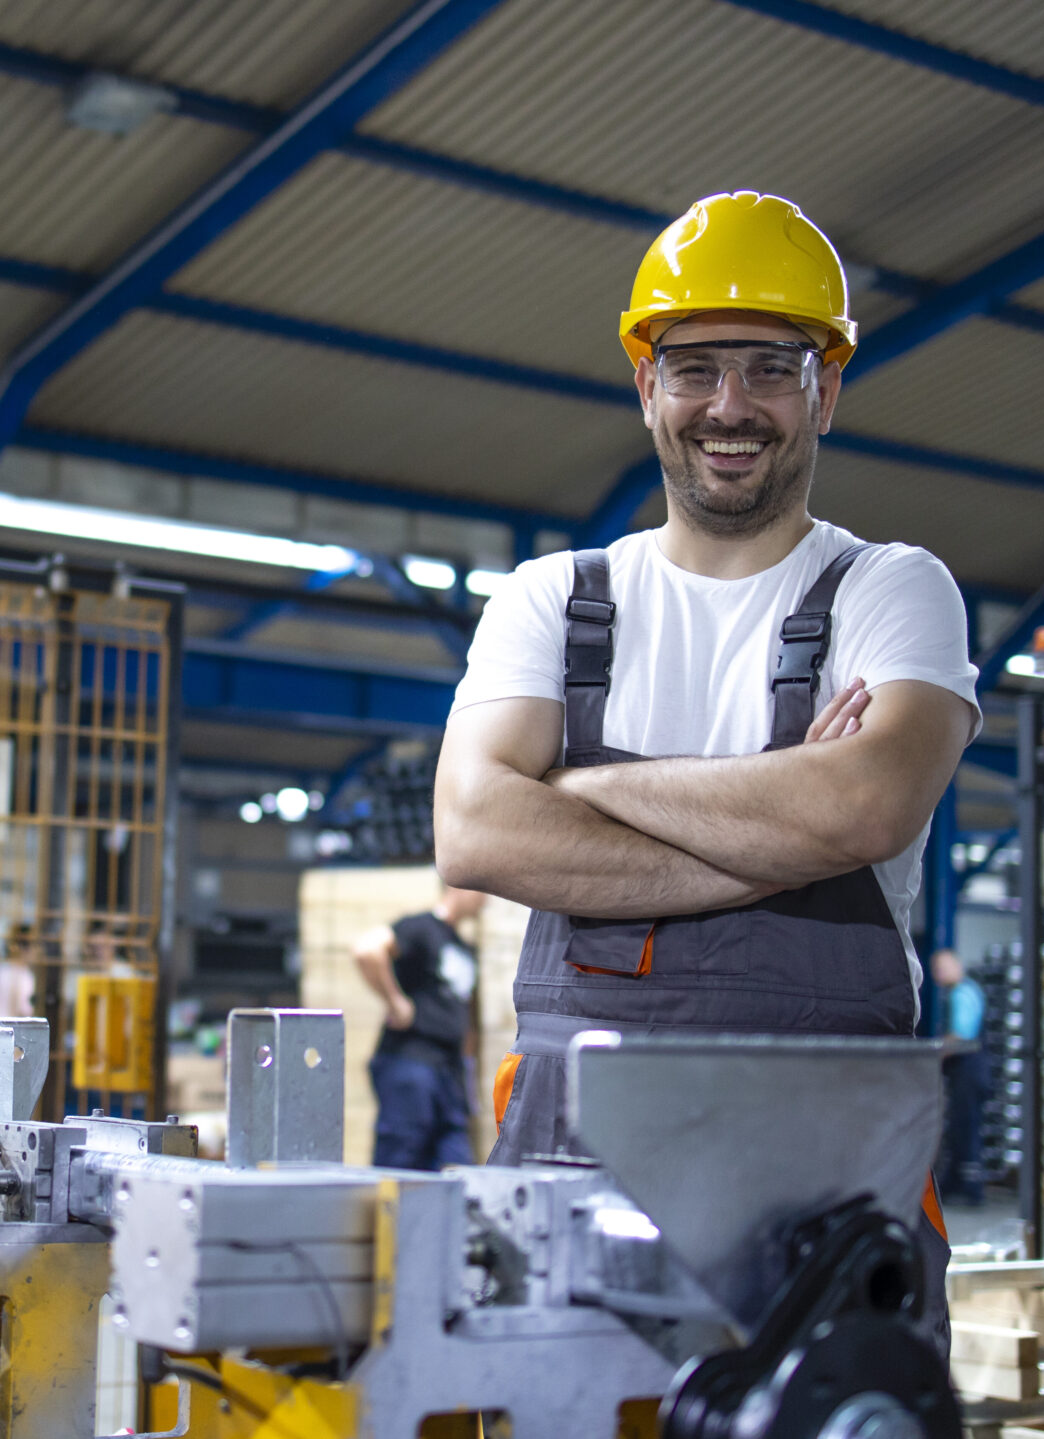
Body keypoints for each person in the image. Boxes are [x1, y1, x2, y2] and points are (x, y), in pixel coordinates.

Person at [436, 192, 979, 1344]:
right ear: (647, 387)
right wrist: (786, 826)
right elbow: (478, 832)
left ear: (823, 390)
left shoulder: (891, 590)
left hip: (823, 1196)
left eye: (770, 368)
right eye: (693, 367)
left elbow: (868, 803)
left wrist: (586, 788)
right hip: (569, 1176)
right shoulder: (554, 597)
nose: (729, 406)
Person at [352, 886, 488, 1170]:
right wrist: (395, 1001)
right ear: (458, 887)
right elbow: (367, 949)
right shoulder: (421, 928)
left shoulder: (463, 948)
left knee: (457, 1169)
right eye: (480, 891)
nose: (485, 900)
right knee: (401, 1164)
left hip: (448, 1074)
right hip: (411, 1062)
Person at [932, 949, 988, 1204]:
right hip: (965, 1071)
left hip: (968, 1070)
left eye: (942, 968)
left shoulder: (962, 994)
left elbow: (960, 1037)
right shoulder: (961, 992)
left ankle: (970, 1187)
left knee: (966, 1128)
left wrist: (934, 1054)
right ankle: (956, 1182)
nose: (938, 974)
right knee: (959, 1128)